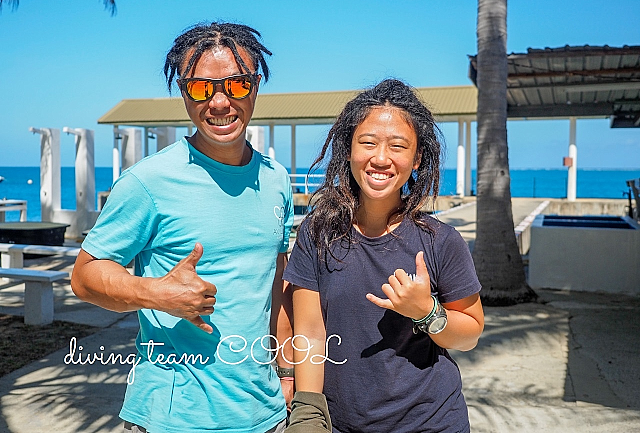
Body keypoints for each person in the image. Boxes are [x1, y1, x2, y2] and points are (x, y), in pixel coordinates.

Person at [71, 22, 295, 433]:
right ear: (183, 91)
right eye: (201, 88)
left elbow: (275, 285)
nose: (220, 103)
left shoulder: (277, 180)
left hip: (266, 416)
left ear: (256, 86)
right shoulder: (147, 182)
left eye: (237, 85)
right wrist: (154, 293)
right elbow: (84, 277)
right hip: (170, 419)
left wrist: (287, 374)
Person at [284, 79, 484, 433]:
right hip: (341, 423)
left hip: (431, 421)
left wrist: (427, 312)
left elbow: (469, 334)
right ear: (348, 149)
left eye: (398, 146)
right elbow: (311, 332)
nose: (381, 158)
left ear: (417, 157)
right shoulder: (317, 234)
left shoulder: (440, 241)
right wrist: (308, 411)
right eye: (368, 143)